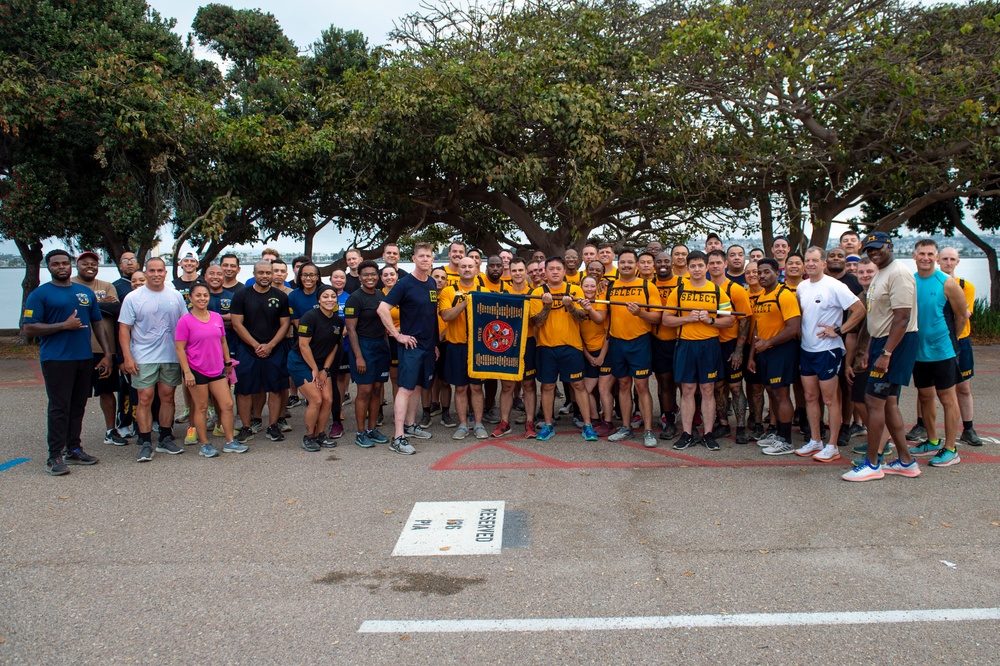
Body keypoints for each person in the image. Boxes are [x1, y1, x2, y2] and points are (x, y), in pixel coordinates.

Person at [23, 249, 113, 475]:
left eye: (65, 263)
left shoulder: (84, 293)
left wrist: (107, 354)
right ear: (49, 267)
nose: (61, 267)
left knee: (78, 406)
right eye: (56, 264)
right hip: (57, 359)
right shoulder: (40, 294)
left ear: (70, 265)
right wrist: (63, 325)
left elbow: (97, 324)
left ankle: (73, 448)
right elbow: (28, 328)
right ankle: (54, 456)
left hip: (83, 357)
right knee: (59, 407)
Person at [842, 232, 921, 482]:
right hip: (881, 342)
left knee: (873, 401)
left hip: (895, 343)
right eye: (869, 249)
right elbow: (876, 315)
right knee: (888, 404)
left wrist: (886, 353)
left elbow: (902, 318)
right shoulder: (881, 272)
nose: (873, 252)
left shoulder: (899, 273)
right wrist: (869, 350)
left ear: (890, 246)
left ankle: (873, 463)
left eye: (877, 248)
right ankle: (906, 461)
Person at [793, 247, 866, 463]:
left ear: (823, 263)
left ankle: (832, 445)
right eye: (808, 260)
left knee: (830, 399)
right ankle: (816, 440)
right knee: (810, 397)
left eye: (815, 260)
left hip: (828, 350)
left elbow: (859, 309)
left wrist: (839, 330)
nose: (811, 264)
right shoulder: (802, 287)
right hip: (807, 349)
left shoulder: (835, 286)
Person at [119, 257, 189, 462]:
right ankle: (146, 441)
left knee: (167, 396)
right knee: (144, 398)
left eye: (160, 270)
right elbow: (124, 328)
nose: (156, 274)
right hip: (143, 356)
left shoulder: (175, 296)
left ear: (165, 273)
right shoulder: (133, 297)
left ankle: (166, 437)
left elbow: (185, 325)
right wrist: (127, 357)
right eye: (152, 270)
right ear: (146, 272)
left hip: (170, 355)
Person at [662, 250, 734, 451]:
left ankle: (708, 434)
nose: (696, 269)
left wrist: (710, 320)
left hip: (709, 345)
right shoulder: (679, 290)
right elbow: (666, 319)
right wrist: (687, 318)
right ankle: (686, 433)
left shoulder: (717, 291)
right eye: (692, 266)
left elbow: (729, 320)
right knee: (687, 390)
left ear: (707, 267)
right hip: (685, 344)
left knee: (708, 389)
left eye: (700, 265)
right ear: (687, 268)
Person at [905, 240, 968, 468]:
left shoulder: (947, 283)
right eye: (922, 253)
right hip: (918, 352)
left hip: (943, 352)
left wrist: (949, 340)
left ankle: (951, 448)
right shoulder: (910, 281)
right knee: (924, 396)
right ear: (914, 256)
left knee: (948, 399)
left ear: (936, 257)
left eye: (930, 254)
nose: (926, 257)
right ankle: (932, 440)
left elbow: (962, 316)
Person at [528, 256, 599, 442]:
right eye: (551, 268)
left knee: (578, 385)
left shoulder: (574, 289)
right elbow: (536, 321)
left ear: (563, 270)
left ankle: (587, 424)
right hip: (546, 347)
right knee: (547, 386)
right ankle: (548, 424)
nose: (555, 272)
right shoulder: (538, 292)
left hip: (571, 346)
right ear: (546, 272)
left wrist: (570, 306)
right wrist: (547, 306)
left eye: (558, 268)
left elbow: (582, 317)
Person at [378, 242, 440, 454]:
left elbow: (431, 317)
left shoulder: (432, 282)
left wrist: (434, 345)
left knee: (419, 386)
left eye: (428, 256)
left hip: (427, 346)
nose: (425, 259)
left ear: (433, 259)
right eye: (421, 256)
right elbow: (382, 309)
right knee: (405, 388)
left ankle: (410, 426)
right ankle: (397, 437)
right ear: (413, 259)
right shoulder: (404, 284)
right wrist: (397, 335)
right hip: (411, 345)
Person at [174, 283, 245, 457]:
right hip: (196, 370)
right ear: (190, 298)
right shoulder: (185, 321)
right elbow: (179, 349)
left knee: (227, 405)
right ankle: (205, 444)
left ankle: (230, 441)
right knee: (201, 407)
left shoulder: (216, 317)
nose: (202, 298)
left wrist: (227, 362)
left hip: (217, 369)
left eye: (205, 295)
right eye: (198, 295)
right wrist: (187, 372)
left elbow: (222, 342)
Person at [605, 250, 663, 447]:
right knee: (622, 385)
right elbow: (601, 315)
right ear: (618, 264)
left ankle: (648, 430)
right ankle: (626, 427)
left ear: (637, 265)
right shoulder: (610, 286)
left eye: (630, 262)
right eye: (623, 262)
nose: (626, 265)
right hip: (617, 341)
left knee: (642, 386)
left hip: (640, 341)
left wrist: (640, 313)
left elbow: (658, 317)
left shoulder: (647, 286)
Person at [230, 261, 291, 444]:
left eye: (268, 272)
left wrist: (270, 345)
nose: (264, 276)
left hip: (274, 350)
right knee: (244, 390)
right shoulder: (241, 296)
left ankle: (273, 426)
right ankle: (246, 427)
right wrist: (256, 344)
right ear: (254, 274)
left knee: (275, 389)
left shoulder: (280, 296)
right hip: (247, 350)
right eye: (260, 272)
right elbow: (237, 324)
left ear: (272, 274)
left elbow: (285, 324)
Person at [747, 258, 801, 455]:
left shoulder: (784, 295)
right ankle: (778, 433)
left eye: (767, 272)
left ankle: (786, 440)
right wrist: (752, 356)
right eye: (759, 272)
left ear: (777, 274)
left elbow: (794, 327)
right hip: (765, 351)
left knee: (781, 393)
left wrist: (769, 343)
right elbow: (757, 330)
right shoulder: (761, 296)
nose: (762, 276)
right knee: (772, 392)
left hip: (782, 350)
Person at [71, 251, 125, 446]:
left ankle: (111, 431)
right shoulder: (69, 285)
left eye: (93, 263)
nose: (90, 266)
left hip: (105, 351)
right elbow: (69, 309)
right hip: (78, 350)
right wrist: (100, 303)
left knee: (107, 391)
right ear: (77, 265)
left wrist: (87, 305)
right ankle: (71, 437)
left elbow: (115, 309)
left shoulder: (106, 286)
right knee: (76, 395)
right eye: (85, 263)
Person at [439, 257, 491, 439]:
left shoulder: (484, 291)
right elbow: (446, 316)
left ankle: (478, 424)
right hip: (456, 346)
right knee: (460, 388)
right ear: (457, 270)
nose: (467, 269)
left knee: (476, 388)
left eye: (471, 266)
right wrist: (464, 303)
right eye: (463, 266)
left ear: (477, 269)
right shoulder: (448, 291)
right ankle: (462, 424)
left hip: (478, 347)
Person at [707, 249, 752, 444]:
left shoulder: (735, 289)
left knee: (735, 387)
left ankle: (740, 426)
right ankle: (723, 423)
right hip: (711, 343)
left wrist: (739, 350)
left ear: (725, 264)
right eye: (712, 263)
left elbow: (745, 320)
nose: (715, 266)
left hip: (731, 344)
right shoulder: (706, 288)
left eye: (718, 262)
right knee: (717, 387)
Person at [288, 285, 342, 451]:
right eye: (325, 296)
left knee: (328, 399)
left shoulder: (338, 321)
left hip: (322, 364)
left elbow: (334, 347)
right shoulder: (309, 317)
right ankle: (309, 435)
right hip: (301, 362)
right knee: (316, 399)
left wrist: (325, 370)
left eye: (333, 296)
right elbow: (303, 346)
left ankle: (320, 434)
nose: (329, 300)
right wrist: (314, 369)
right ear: (319, 299)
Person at [345, 260, 391, 448]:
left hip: (381, 347)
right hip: (363, 346)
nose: (370, 278)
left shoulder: (381, 295)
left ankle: (372, 429)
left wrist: (386, 347)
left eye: (373, 274)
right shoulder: (355, 298)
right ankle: (360, 432)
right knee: (364, 390)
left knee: (378, 390)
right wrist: (358, 356)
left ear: (378, 276)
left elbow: (385, 325)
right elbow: (351, 329)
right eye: (366, 275)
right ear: (359, 277)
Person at [936, 246, 980, 445]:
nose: (948, 262)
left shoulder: (966, 286)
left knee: (963, 387)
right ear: (938, 260)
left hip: (961, 340)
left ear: (957, 262)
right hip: (937, 340)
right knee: (927, 389)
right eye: (944, 258)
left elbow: (964, 314)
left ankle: (968, 428)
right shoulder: (931, 283)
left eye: (952, 259)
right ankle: (921, 424)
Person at [494, 257, 539, 437]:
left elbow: (536, 320)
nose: (518, 274)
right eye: (514, 271)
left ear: (526, 272)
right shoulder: (503, 292)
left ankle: (530, 422)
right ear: (509, 272)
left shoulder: (534, 293)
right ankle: (504, 422)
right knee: (507, 386)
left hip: (527, 341)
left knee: (528, 384)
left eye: (521, 270)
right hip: (508, 343)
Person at [652, 251, 679, 439]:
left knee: (687, 385)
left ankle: (691, 421)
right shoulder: (649, 284)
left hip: (681, 340)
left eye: (666, 261)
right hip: (659, 340)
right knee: (665, 382)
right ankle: (669, 420)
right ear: (654, 265)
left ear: (673, 263)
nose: (663, 264)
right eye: (659, 261)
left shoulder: (682, 283)